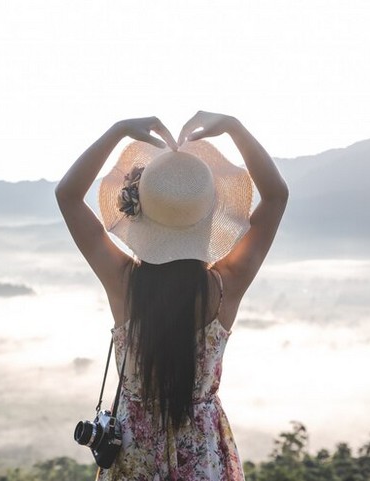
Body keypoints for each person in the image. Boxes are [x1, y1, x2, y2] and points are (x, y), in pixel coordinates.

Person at [55, 111, 288, 480]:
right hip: (203, 459)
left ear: (140, 214)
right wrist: (233, 127)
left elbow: (67, 196)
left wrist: (118, 130)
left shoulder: (124, 283)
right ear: (208, 217)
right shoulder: (226, 285)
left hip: (134, 459)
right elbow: (276, 196)